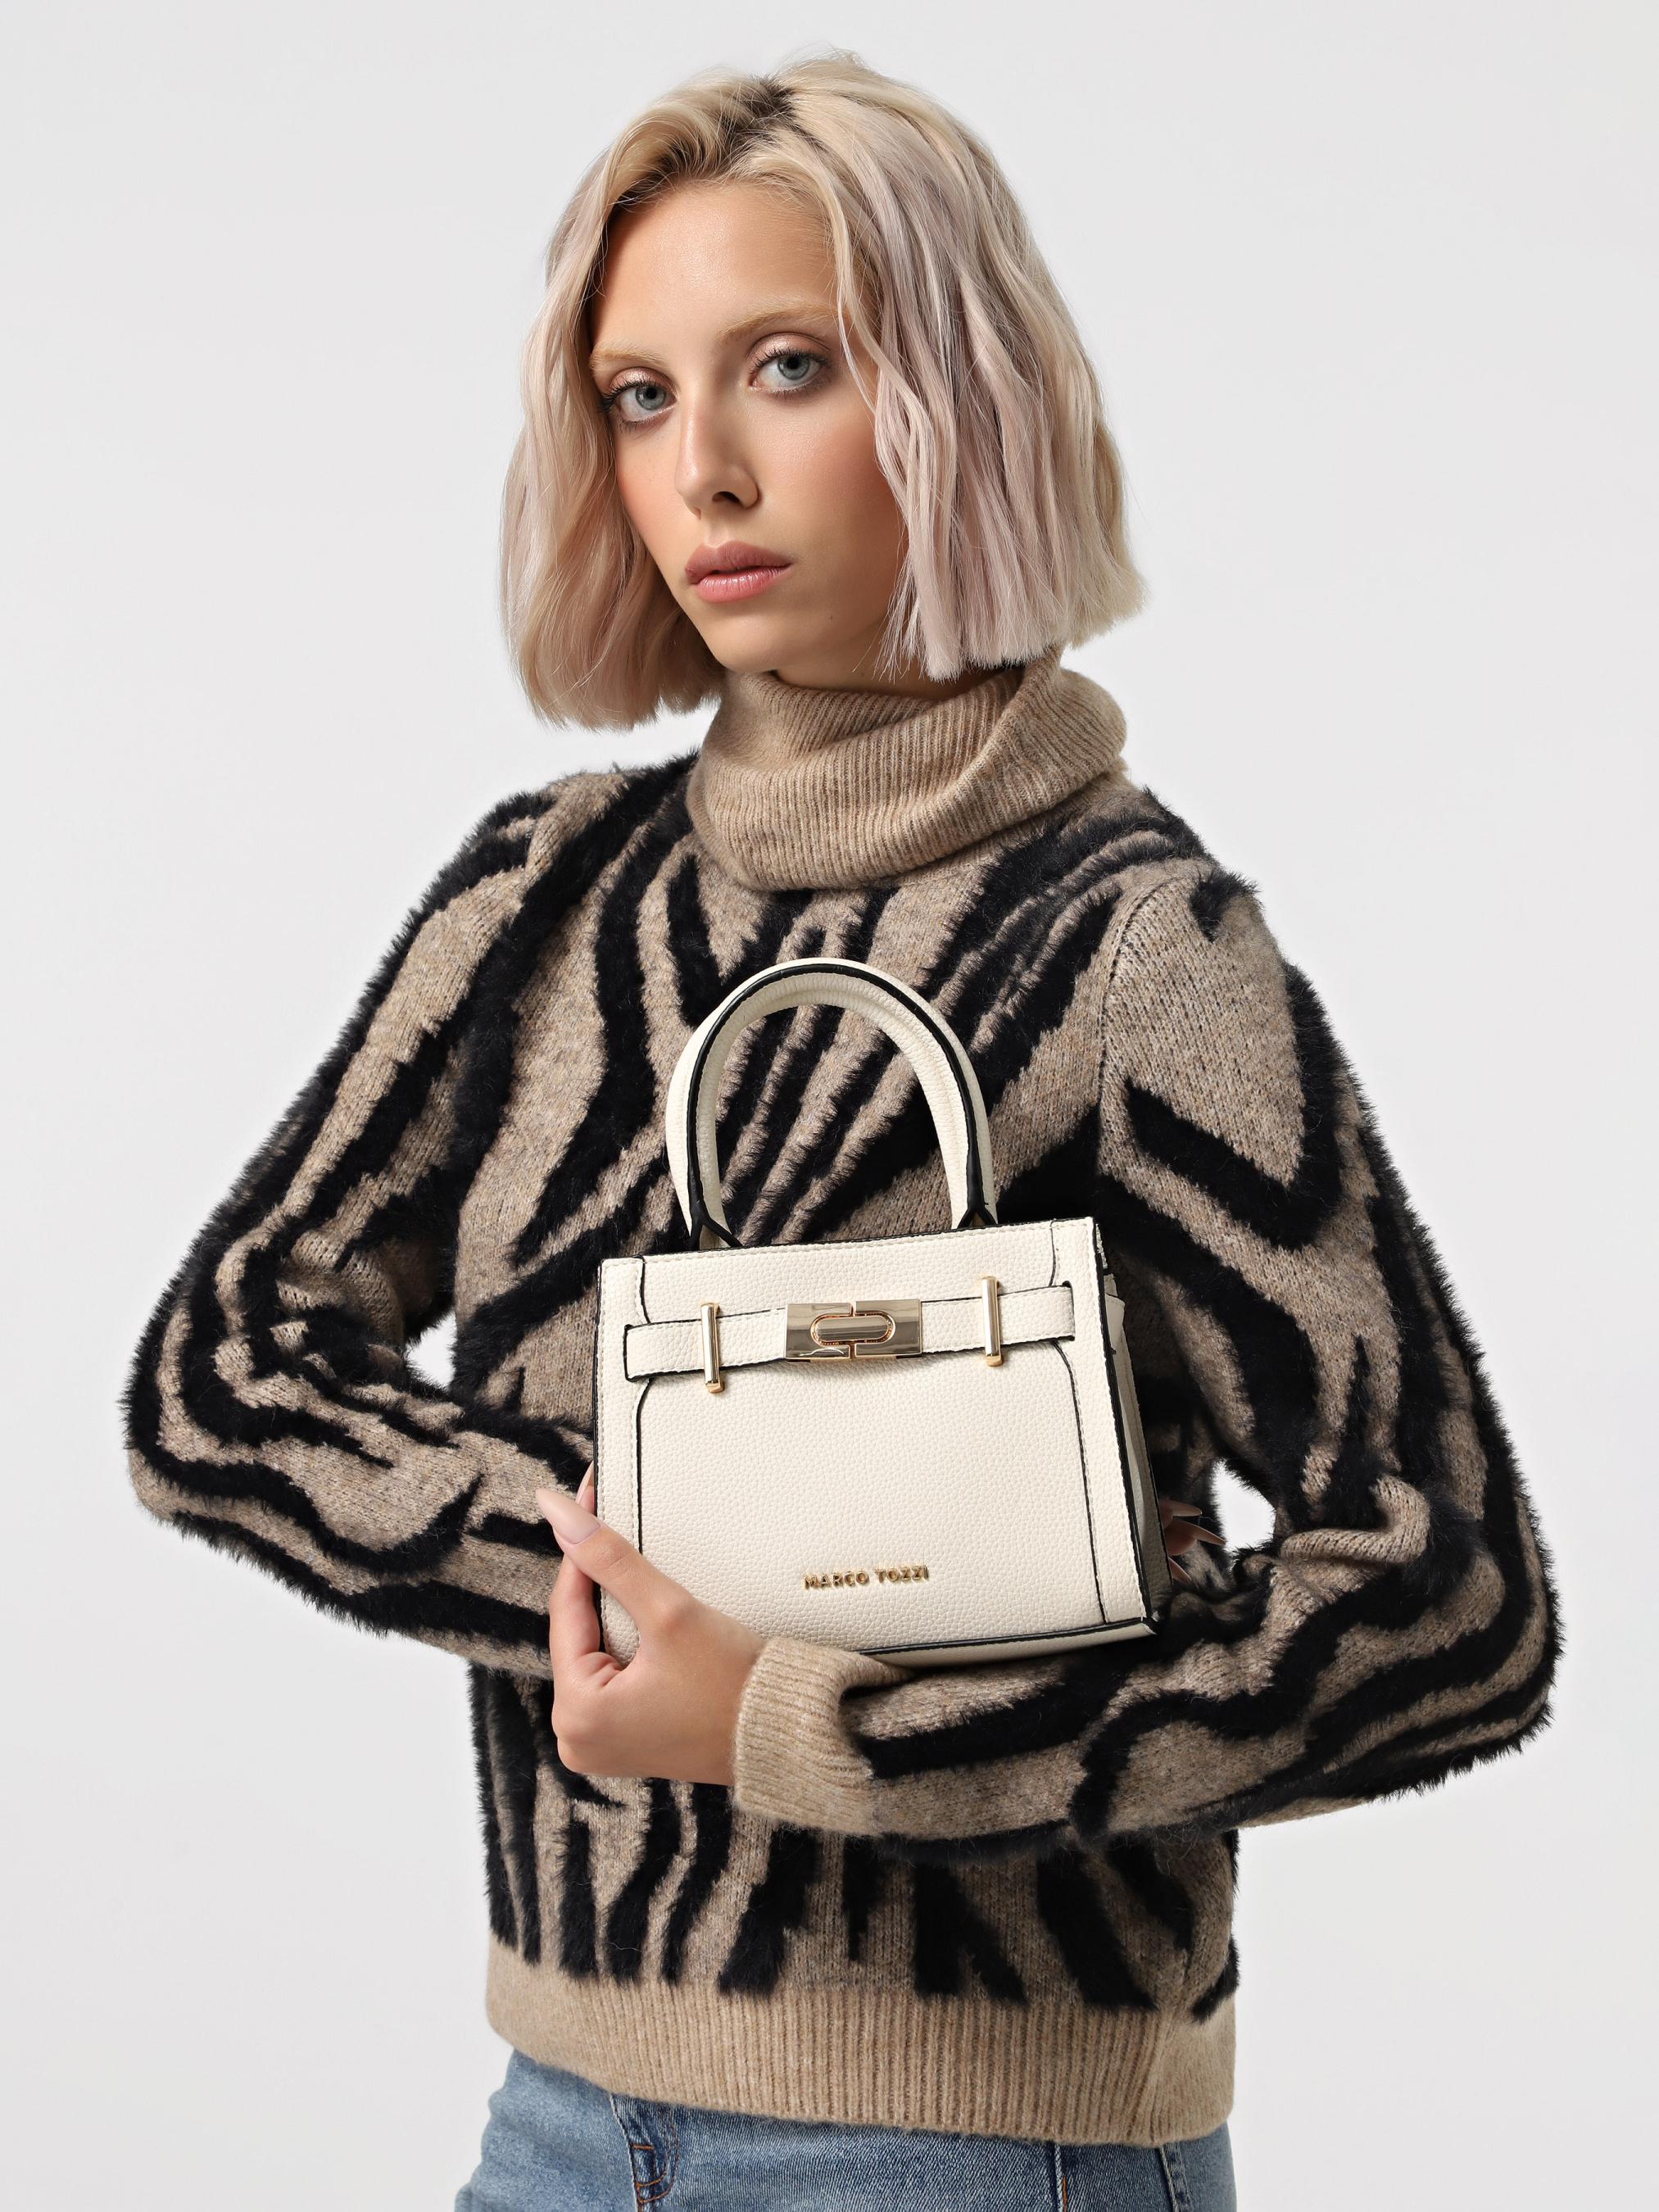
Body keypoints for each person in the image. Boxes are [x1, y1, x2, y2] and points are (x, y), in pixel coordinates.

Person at [125, 55, 1558, 2212]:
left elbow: (1446, 1601)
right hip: (558, 2118)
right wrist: (626, 1593)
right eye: (636, 396)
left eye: (785, 366)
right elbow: (221, 1382)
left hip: (982, 2149)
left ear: (961, 394)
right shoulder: (542, 900)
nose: (700, 465)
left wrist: (810, 1720)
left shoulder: (1136, 951)